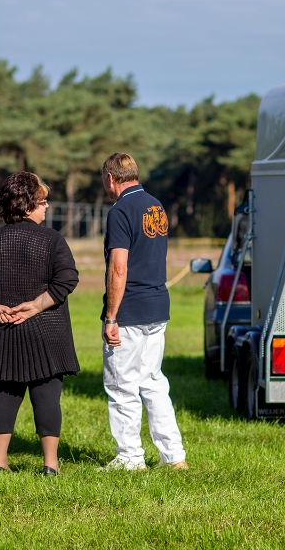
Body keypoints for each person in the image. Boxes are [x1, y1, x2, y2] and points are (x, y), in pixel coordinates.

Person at [0, 172, 80, 476]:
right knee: (47, 395)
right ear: (27, 206)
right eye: (42, 202)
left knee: (5, 395)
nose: (47, 207)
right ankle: (50, 465)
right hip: (47, 331)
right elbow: (67, 279)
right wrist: (36, 306)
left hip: (3, 330)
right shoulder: (52, 240)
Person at [98, 152, 187, 471]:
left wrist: (111, 317)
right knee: (153, 380)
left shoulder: (121, 210)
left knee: (121, 384)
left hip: (130, 309)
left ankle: (130, 457)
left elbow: (118, 267)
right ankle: (174, 455)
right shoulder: (155, 205)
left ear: (110, 178)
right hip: (157, 304)